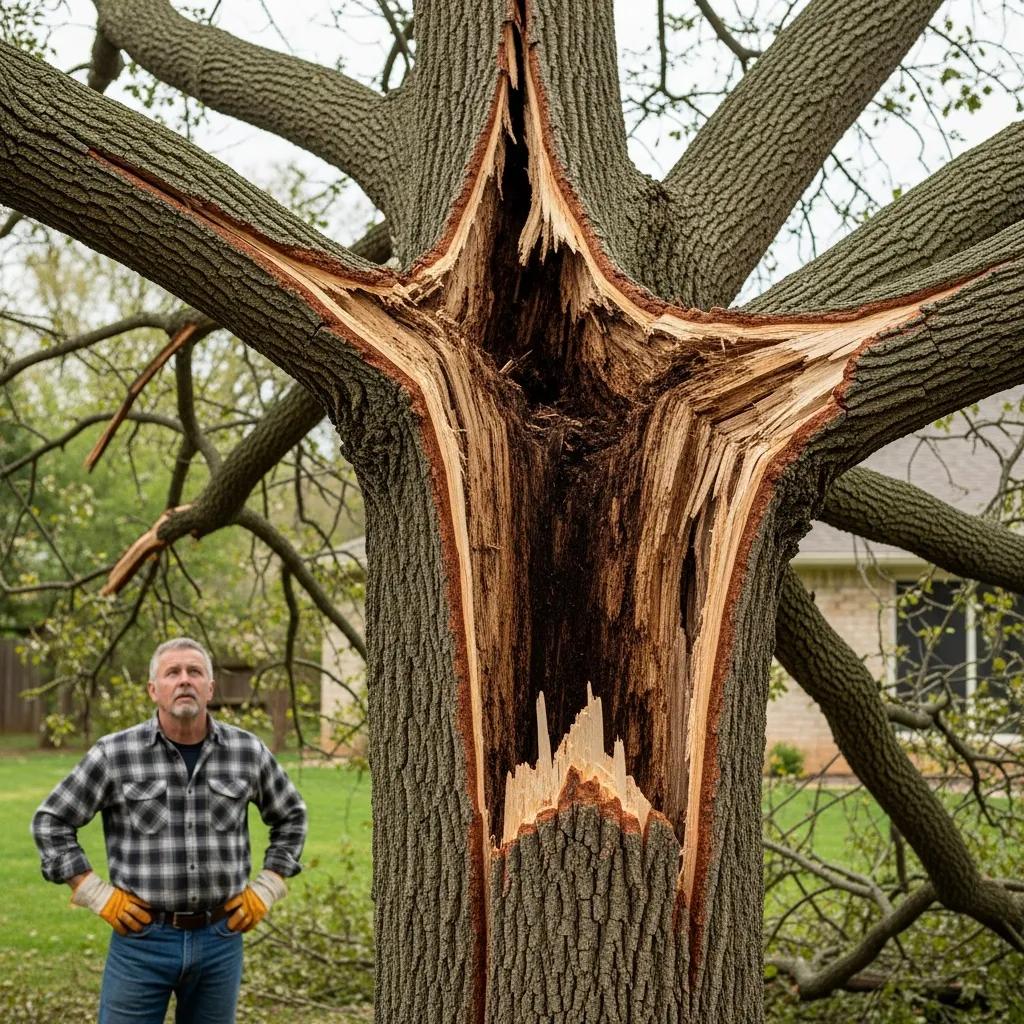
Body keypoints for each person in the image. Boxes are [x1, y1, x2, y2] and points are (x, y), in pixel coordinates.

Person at [31, 637, 308, 1023]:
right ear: (153, 689)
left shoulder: (247, 752)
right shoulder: (115, 754)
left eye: (195, 672)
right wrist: (93, 893)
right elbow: (51, 821)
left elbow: (292, 815)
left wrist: (269, 886)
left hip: (220, 939)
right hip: (142, 940)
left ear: (210, 688)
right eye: (172, 672)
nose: (184, 680)